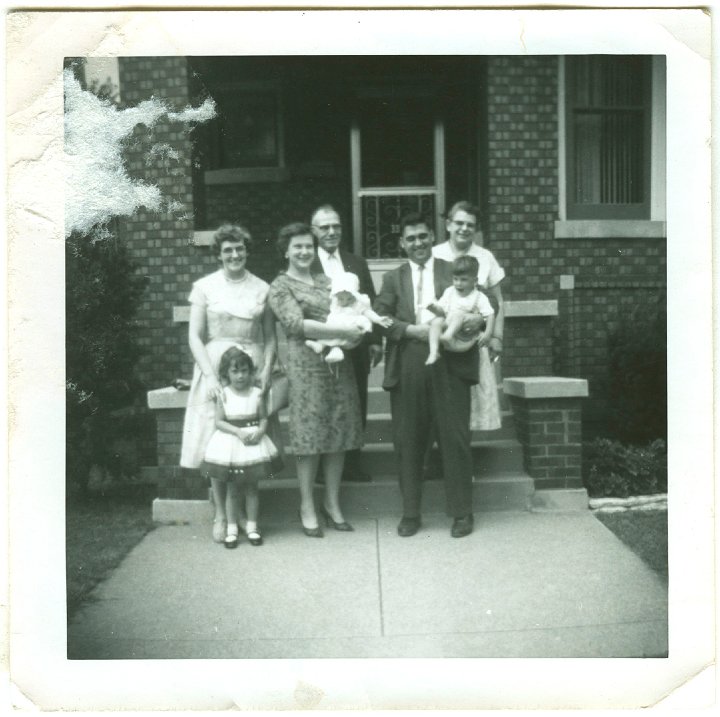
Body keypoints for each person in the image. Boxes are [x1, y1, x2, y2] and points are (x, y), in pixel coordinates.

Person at [374, 213, 482, 538]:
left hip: (450, 363)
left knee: (455, 437)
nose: (418, 243)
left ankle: (462, 513)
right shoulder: (393, 278)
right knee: (408, 439)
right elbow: (380, 316)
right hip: (409, 359)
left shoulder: (453, 270)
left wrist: (479, 320)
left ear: (431, 237)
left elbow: (481, 301)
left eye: (423, 236)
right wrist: (411, 330)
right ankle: (411, 513)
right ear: (402, 243)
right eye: (411, 238)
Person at [179, 224, 277, 544]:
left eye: (239, 249)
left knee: (249, 435)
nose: (234, 255)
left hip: (250, 368)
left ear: (247, 251)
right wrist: (209, 375)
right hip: (216, 367)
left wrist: (266, 370)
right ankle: (222, 514)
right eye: (227, 250)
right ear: (219, 255)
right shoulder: (205, 287)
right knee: (216, 440)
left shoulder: (262, 288)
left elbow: (271, 337)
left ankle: (250, 517)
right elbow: (195, 335)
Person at [268, 222, 364, 537]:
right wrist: (342, 331)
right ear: (286, 251)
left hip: (337, 364)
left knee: (338, 433)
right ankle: (307, 505)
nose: (304, 251)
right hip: (305, 368)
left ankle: (332, 504)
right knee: (309, 438)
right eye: (297, 246)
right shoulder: (281, 286)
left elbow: (346, 310)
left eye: (309, 245)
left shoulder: (327, 281)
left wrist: (354, 330)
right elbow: (296, 325)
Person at [310, 204, 381, 481]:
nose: (331, 232)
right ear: (314, 231)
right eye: (324, 227)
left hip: (356, 344)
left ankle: (352, 463)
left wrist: (375, 340)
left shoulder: (356, 262)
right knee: (324, 403)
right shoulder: (307, 263)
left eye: (336, 226)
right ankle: (321, 468)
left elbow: (369, 301)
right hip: (322, 344)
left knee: (356, 402)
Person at [432, 201, 506, 431]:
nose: (464, 229)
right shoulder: (435, 254)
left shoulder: (485, 257)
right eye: (459, 223)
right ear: (448, 224)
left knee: (472, 403)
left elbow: (499, 302)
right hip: (444, 341)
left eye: (470, 225)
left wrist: (496, 336)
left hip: (474, 343)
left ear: (476, 229)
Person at [201, 347, 278, 548]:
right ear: (226, 373)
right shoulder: (223, 394)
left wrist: (261, 431)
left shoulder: (257, 394)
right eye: (235, 371)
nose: (241, 375)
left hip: (252, 444)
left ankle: (252, 527)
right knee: (232, 490)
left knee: (252, 488)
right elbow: (219, 422)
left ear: (251, 372)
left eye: (244, 370)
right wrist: (237, 432)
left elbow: (263, 418)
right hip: (232, 445)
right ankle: (232, 528)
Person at [305, 271, 393, 363]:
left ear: (355, 295)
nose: (345, 302)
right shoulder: (335, 300)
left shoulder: (358, 303)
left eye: (349, 299)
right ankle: (322, 345)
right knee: (331, 328)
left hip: (351, 327)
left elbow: (367, 311)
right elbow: (333, 288)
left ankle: (333, 349)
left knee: (343, 333)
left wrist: (377, 319)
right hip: (336, 326)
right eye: (341, 299)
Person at [426, 255, 495, 365]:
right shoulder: (450, 292)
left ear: (475, 281)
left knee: (459, 314)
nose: (458, 283)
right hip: (449, 335)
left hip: (465, 338)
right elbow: (442, 311)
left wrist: (488, 334)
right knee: (436, 321)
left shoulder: (479, 297)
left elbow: (490, 314)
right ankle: (434, 352)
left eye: (464, 280)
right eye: (455, 279)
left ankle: (447, 336)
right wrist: (434, 308)